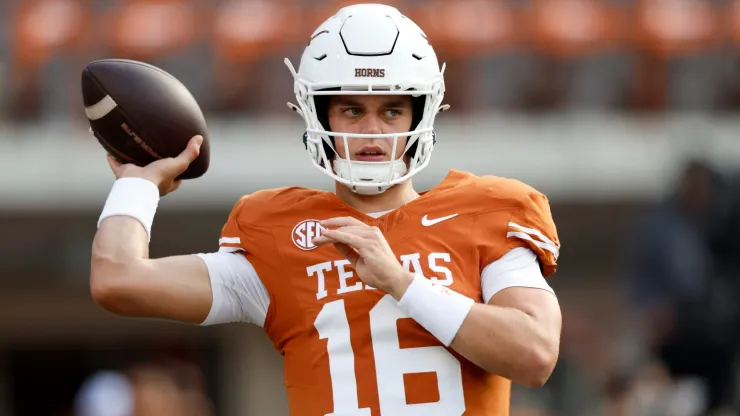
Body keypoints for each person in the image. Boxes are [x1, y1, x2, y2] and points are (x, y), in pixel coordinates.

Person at [89, 4, 562, 415]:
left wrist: (401, 282)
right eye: (352, 111)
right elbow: (118, 280)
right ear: (319, 116)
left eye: (392, 110)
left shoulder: (486, 212)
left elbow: (535, 354)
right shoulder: (282, 234)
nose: (372, 131)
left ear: (421, 114)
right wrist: (138, 186)